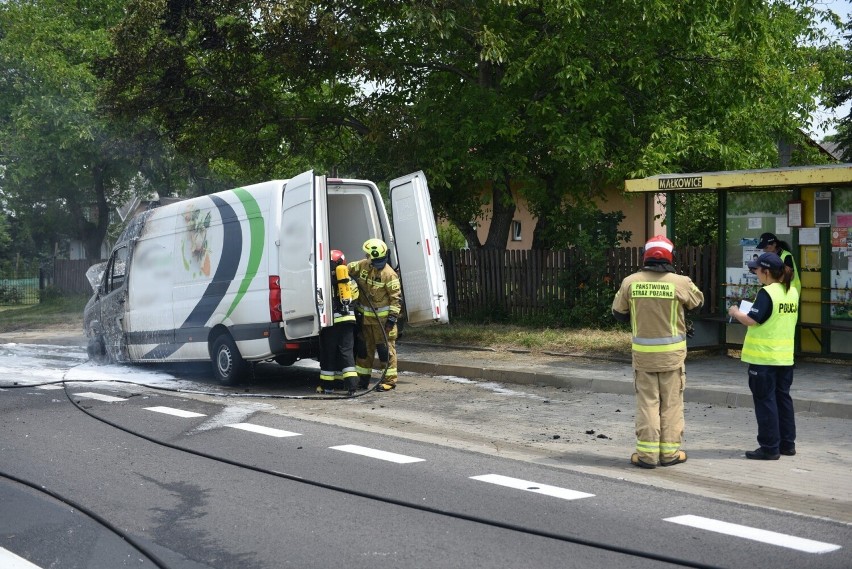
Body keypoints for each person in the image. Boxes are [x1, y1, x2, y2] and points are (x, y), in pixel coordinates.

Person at [612, 235, 705, 469]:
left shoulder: (630, 282)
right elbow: (699, 303)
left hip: (643, 358)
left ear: (646, 256)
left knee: (647, 404)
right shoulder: (681, 282)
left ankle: (647, 456)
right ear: (669, 256)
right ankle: (670, 454)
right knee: (671, 405)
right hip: (672, 358)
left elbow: (618, 313)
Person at [727, 252, 799, 460]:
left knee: (765, 401)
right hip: (785, 358)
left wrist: (735, 312)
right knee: (783, 399)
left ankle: (769, 447)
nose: (755, 273)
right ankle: (787, 444)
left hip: (764, 359)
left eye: (756, 270)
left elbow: (752, 320)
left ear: (766, 272)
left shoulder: (767, 293)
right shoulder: (791, 292)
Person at [348, 238, 402, 392]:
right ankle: (362, 381)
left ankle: (389, 381)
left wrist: (391, 320)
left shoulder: (389, 274)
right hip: (365, 321)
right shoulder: (364, 265)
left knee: (386, 352)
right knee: (364, 351)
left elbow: (396, 300)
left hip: (383, 323)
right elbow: (348, 268)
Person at [317, 250, 360, 395]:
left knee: (329, 352)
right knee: (346, 352)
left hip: (331, 322)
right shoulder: (350, 281)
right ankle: (352, 386)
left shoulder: (324, 281)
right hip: (348, 321)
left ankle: (328, 386)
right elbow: (355, 298)